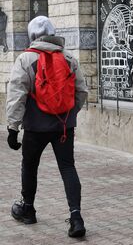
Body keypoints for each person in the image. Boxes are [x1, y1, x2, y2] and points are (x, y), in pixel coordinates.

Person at [6, 16, 88, 238]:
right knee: (68, 168)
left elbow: (17, 95)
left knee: (30, 166)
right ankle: (76, 217)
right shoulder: (69, 58)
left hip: (35, 128)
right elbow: (81, 91)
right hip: (63, 127)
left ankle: (28, 209)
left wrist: (13, 128)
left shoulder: (25, 59)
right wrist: (68, 114)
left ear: (32, 35)